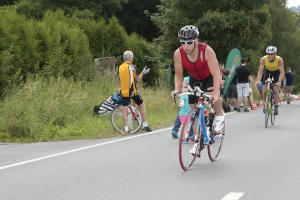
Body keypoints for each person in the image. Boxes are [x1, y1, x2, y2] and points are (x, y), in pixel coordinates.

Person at [171, 25, 225, 137]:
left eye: (189, 42)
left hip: (210, 76)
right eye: (183, 42)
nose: (186, 45)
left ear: (196, 41)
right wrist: (176, 89)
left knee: (213, 98)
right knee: (193, 106)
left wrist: (215, 93)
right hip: (194, 78)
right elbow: (178, 74)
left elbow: (216, 74)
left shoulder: (206, 50)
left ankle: (219, 116)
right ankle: (198, 134)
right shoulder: (178, 54)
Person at [118, 50, 152, 134]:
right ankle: (145, 124)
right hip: (132, 91)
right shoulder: (131, 66)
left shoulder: (120, 67)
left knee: (125, 109)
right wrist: (143, 73)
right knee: (142, 105)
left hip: (124, 91)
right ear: (130, 58)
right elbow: (138, 79)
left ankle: (126, 129)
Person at [256, 46, 284, 115]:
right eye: (268, 54)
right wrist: (258, 81)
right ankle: (266, 104)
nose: (270, 56)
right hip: (268, 71)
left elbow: (282, 72)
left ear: (275, 54)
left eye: (272, 54)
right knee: (264, 90)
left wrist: (279, 81)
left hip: (276, 72)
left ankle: (276, 107)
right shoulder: (263, 59)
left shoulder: (279, 59)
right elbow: (260, 71)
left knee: (275, 89)